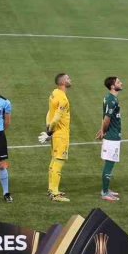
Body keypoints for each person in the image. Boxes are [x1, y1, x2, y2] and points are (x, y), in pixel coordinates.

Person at [41, 72, 72, 203]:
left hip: (56, 134)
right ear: (63, 82)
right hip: (61, 135)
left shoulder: (54, 93)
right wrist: (49, 132)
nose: (70, 80)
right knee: (59, 162)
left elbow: (50, 113)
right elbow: (57, 117)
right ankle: (55, 194)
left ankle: (51, 189)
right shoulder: (63, 99)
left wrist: (49, 128)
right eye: (68, 78)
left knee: (54, 160)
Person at [96, 77, 123, 201]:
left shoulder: (110, 98)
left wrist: (102, 130)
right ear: (112, 86)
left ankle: (106, 190)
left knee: (110, 163)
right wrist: (104, 131)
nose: (121, 83)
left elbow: (105, 117)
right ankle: (105, 192)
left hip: (112, 135)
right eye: (118, 82)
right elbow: (106, 118)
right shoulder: (111, 100)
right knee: (109, 164)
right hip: (111, 137)